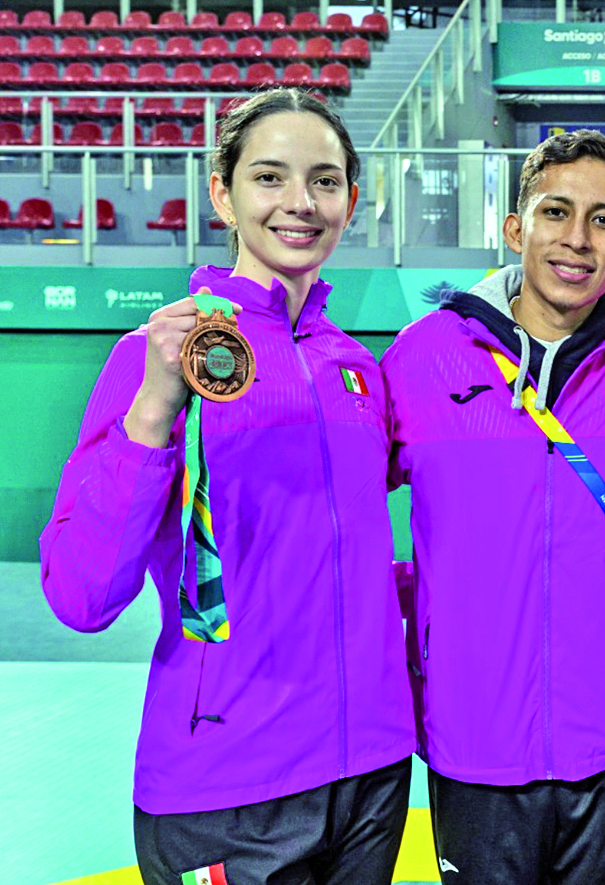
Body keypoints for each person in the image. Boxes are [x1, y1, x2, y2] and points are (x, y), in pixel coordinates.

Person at [40, 88, 415, 883]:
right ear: (223, 192)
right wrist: (152, 410)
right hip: (226, 778)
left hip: (371, 769)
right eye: (270, 178)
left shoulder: (354, 367)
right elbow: (82, 593)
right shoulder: (157, 358)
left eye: (323, 180)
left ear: (351, 198)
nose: (300, 204)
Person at [381, 131, 605, 885]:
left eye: (603, 220)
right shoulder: (422, 356)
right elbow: (337, 501)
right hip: (472, 734)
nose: (576, 239)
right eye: (555, 212)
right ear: (515, 229)